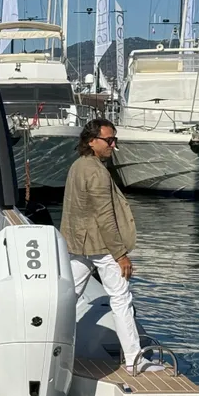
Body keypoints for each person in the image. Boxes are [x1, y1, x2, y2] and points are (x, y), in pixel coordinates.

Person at [60, 118, 163, 374]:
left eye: (114, 139)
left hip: (78, 244)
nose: (113, 145)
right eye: (108, 140)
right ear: (91, 141)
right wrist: (120, 255)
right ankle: (135, 360)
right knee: (121, 298)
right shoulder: (97, 172)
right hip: (100, 246)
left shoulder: (77, 166)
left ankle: (50, 347)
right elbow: (105, 217)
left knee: (67, 297)